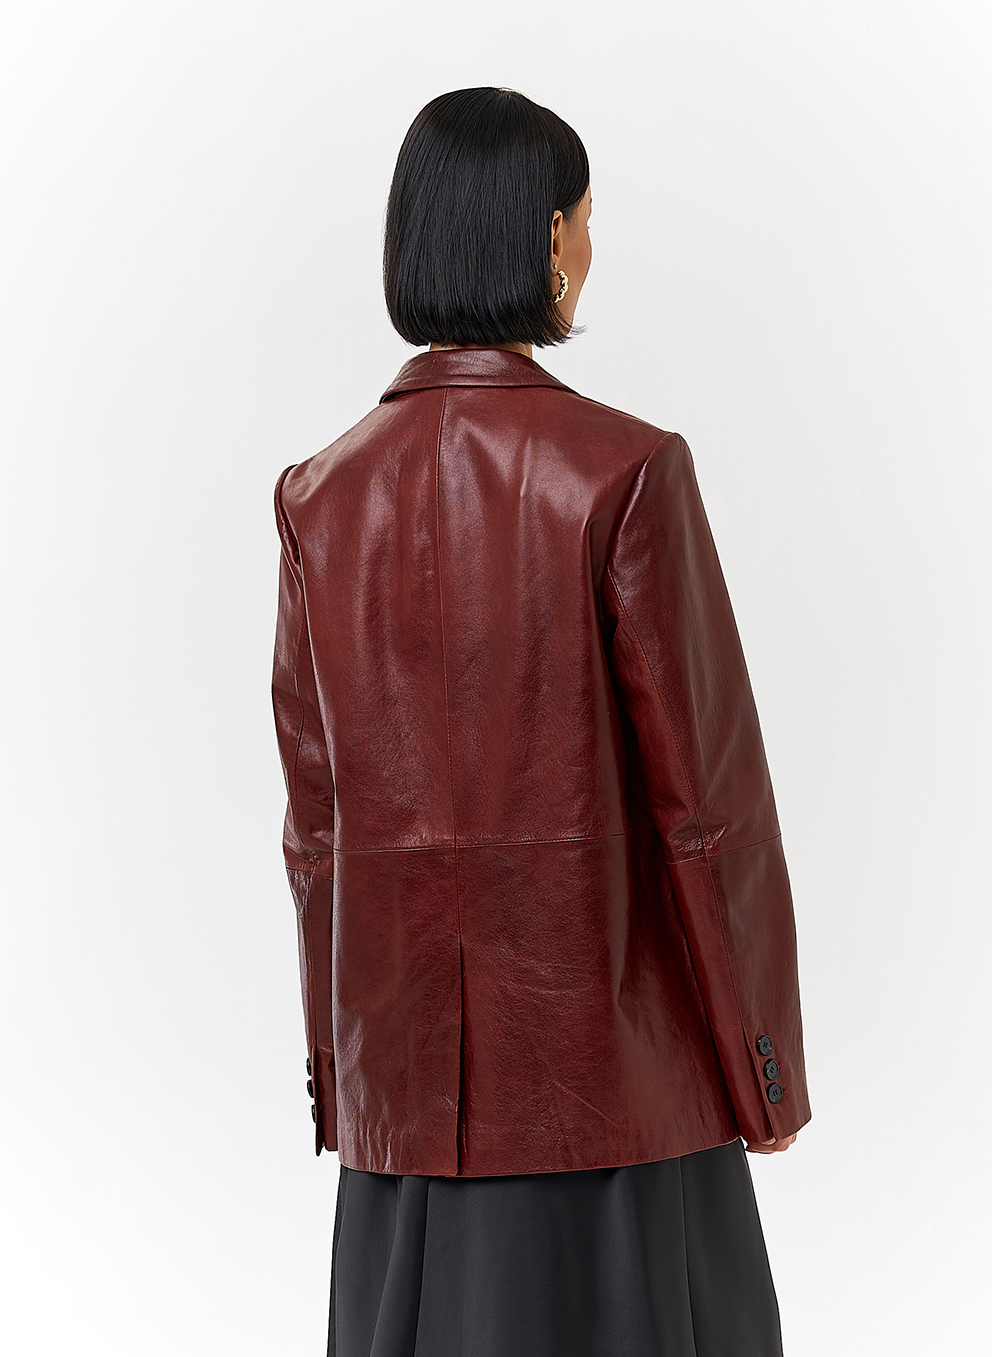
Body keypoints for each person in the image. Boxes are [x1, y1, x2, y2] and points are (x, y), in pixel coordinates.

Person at [270, 85, 811, 1357]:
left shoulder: (317, 499)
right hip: (612, 1109)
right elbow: (707, 816)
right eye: (585, 218)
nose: (589, 247)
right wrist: (764, 1074)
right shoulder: (623, 471)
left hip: (408, 1127)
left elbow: (315, 837)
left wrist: (345, 1081)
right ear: (548, 237)